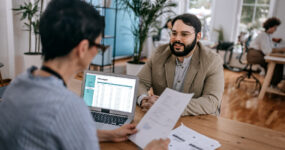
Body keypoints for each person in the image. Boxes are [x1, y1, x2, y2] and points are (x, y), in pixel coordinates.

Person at [0, 0, 169, 149]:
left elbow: (50, 132)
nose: (97, 52)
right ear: (82, 49)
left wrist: (109, 134)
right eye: (99, 46)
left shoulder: (16, 84)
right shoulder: (69, 107)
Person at [137, 13, 224, 116]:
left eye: (184, 34)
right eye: (174, 33)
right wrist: (143, 100)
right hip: (160, 118)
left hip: (197, 118)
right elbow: (140, 82)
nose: (177, 39)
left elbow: (211, 101)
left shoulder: (212, 60)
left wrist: (168, 106)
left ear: (198, 37)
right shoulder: (159, 53)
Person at [248, 17, 285, 87]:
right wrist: (280, 50)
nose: (275, 29)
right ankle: (272, 84)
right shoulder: (263, 35)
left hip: (259, 55)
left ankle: (273, 83)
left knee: (278, 63)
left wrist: (278, 49)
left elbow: (271, 48)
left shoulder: (268, 36)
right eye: (275, 27)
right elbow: (268, 51)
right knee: (275, 63)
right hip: (253, 56)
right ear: (270, 27)